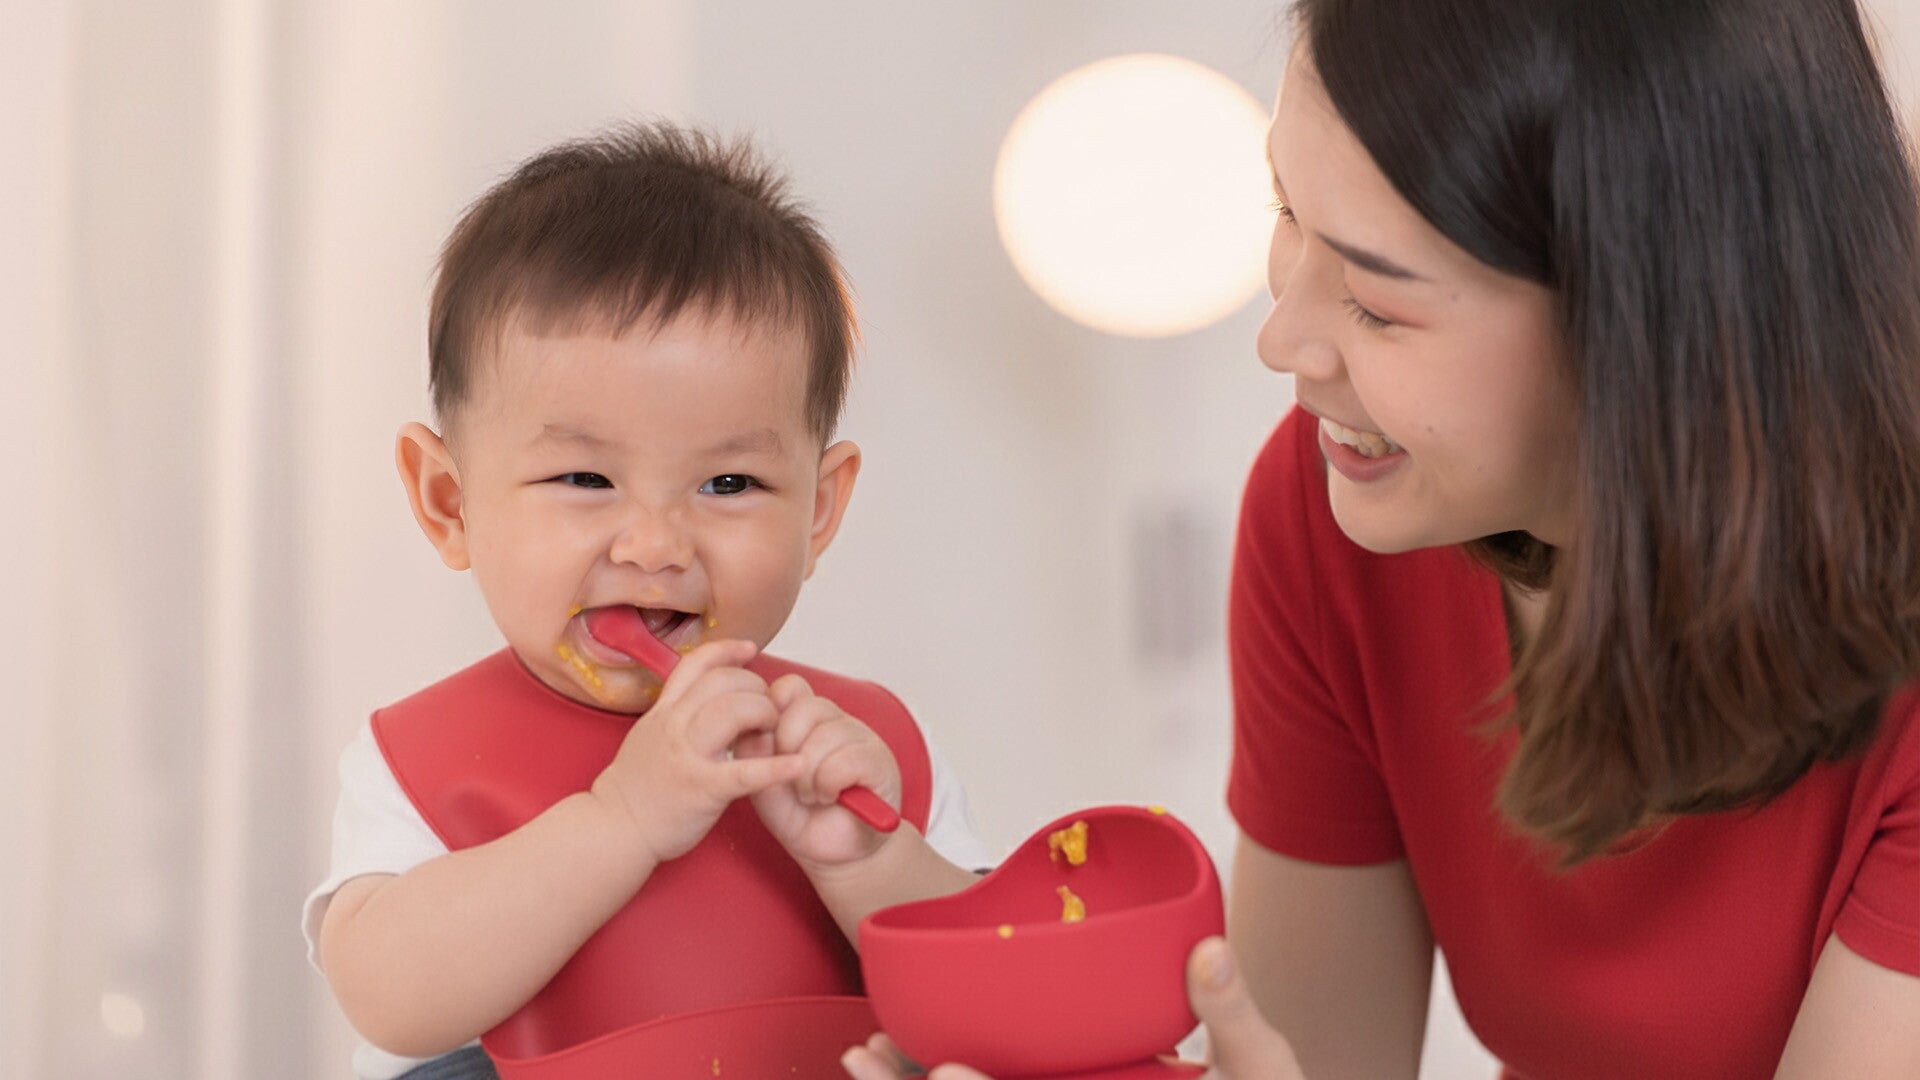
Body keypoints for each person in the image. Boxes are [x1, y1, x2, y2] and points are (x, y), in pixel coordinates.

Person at [843, 0, 1920, 1077]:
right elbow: (1306, 1058)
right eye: (1286, 209)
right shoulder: (1341, 515)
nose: (1282, 341)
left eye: (1375, 302)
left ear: (1653, 320)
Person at [302, 123, 992, 1080]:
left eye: (729, 485)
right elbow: (391, 1000)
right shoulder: (423, 754)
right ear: (450, 502)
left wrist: (870, 863)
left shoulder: (858, 750)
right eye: (585, 479)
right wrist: (623, 816)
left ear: (819, 511)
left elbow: (1001, 1001)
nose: (657, 546)